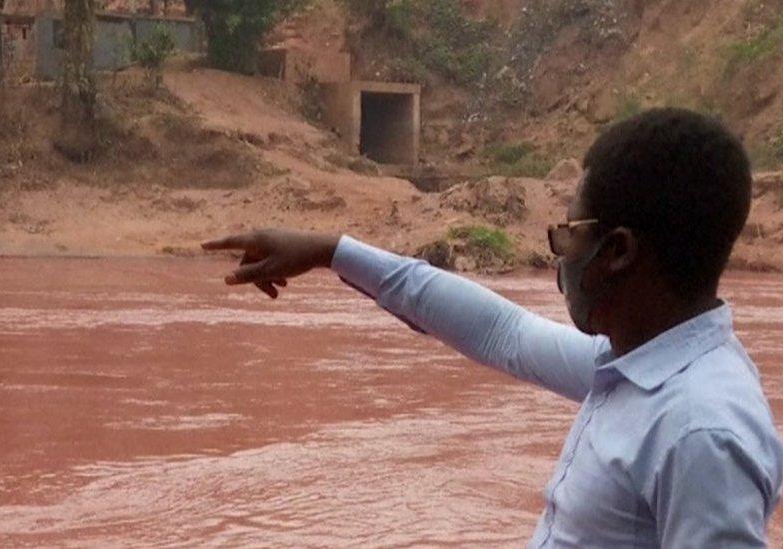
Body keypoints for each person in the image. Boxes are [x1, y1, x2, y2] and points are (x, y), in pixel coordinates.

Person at [201, 108, 783, 547]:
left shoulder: (699, 432)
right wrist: (333, 251)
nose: (560, 253)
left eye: (568, 233)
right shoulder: (636, 364)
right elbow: (502, 332)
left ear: (619, 251)